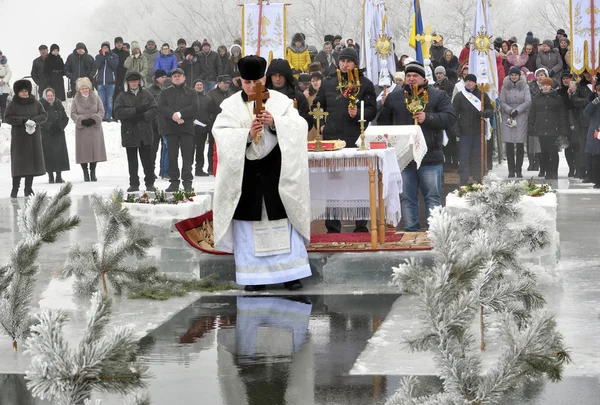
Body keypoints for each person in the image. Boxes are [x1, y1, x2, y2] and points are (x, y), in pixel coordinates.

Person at [212, 55, 311, 292]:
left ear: (264, 79)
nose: (251, 87)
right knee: (250, 222)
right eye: (246, 82)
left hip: (275, 170)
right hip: (248, 174)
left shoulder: (281, 102)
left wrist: (275, 122)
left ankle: (291, 274)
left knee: (281, 218)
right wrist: (245, 135)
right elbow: (221, 135)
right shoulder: (231, 106)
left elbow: (300, 127)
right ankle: (254, 276)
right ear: (240, 81)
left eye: (255, 81)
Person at [379, 61, 456, 231]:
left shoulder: (438, 95)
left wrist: (428, 117)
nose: (411, 79)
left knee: (433, 197)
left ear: (423, 78)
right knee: (407, 197)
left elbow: (450, 117)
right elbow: (382, 123)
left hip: (430, 155)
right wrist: (382, 106)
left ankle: (434, 231)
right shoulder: (394, 96)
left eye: (415, 76)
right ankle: (410, 229)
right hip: (404, 157)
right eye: (408, 76)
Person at [312, 47, 377, 233]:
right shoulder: (328, 83)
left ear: (355, 63)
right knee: (333, 183)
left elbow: (372, 110)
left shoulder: (365, 84)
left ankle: (361, 225)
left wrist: (359, 114)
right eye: (342, 61)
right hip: (332, 139)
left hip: (356, 140)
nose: (345, 64)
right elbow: (319, 106)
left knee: (358, 182)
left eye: (349, 61)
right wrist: (321, 124)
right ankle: (332, 226)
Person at [113, 71, 159, 192]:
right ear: (127, 83)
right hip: (130, 132)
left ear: (139, 81)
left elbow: (154, 109)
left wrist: (143, 116)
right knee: (132, 161)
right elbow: (117, 112)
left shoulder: (147, 94)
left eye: (135, 80)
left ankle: (150, 183)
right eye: (131, 81)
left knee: (148, 161)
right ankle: (134, 183)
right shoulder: (122, 96)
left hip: (145, 132)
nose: (133, 83)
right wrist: (134, 111)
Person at [4, 79, 48, 198]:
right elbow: (7, 117)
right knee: (19, 164)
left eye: (26, 91)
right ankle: (15, 189)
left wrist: (34, 120)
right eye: (22, 91)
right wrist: (22, 120)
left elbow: (44, 115)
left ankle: (28, 188)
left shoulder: (35, 103)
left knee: (31, 163)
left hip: (33, 137)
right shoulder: (13, 104)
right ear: (17, 92)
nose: (24, 93)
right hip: (19, 139)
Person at [158, 68, 199, 191]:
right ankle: (174, 182)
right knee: (172, 156)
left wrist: (180, 114)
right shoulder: (165, 93)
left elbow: (195, 107)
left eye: (179, 75)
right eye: (174, 76)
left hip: (186, 128)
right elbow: (161, 107)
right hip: (171, 128)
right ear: (172, 78)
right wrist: (173, 116)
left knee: (187, 156)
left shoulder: (192, 92)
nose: (177, 77)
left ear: (184, 77)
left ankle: (187, 182)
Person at [452, 74, 494, 185]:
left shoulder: (482, 96)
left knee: (477, 157)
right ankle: (464, 181)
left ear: (475, 83)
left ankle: (478, 178)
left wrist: (485, 113)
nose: (468, 83)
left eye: (471, 81)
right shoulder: (460, 96)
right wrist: (456, 128)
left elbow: (491, 110)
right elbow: (454, 114)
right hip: (464, 132)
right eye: (466, 81)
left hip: (478, 132)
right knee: (464, 157)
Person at [528, 77, 567, 180]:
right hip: (540, 128)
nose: (545, 87)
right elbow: (532, 114)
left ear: (551, 86)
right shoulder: (537, 98)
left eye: (547, 85)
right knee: (543, 152)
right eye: (544, 85)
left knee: (553, 152)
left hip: (553, 128)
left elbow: (562, 115)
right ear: (541, 86)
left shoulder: (557, 98)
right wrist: (531, 126)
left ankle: (554, 171)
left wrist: (562, 128)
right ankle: (546, 171)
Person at [70, 77, 107, 182]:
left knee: (94, 150)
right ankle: (85, 173)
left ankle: (93, 172)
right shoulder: (75, 99)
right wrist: (80, 120)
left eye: (86, 88)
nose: (85, 90)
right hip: (82, 129)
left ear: (89, 88)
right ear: (79, 89)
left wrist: (95, 119)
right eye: (82, 88)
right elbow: (72, 113)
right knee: (83, 152)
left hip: (94, 128)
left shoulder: (96, 97)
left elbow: (101, 110)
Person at [500, 67, 532, 178]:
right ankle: (511, 170)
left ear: (519, 76)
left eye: (516, 74)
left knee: (519, 145)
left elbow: (528, 101)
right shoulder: (505, 86)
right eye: (512, 74)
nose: (514, 76)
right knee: (509, 145)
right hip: (508, 117)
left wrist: (517, 110)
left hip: (521, 117)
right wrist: (510, 110)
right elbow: (502, 101)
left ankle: (518, 170)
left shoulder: (525, 86)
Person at [265, 59, 312, 129]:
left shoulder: (298, 97)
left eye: (281, 75)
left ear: (286, 76)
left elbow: (307, 123)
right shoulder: (263, 96)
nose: (277, 79)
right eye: (274, 75)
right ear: (270, 76)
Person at [39, 88, 70, 183]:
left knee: (59, 154)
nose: (50, 97)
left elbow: (65, 118)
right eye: (48, 95)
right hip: (47, 134)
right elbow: (39, 119)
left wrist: (60, 127)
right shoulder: (40, 105)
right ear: (45, 96)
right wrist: (49, 126)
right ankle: (50, 176)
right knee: (49, 155)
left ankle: (59, 176)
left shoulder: (58, 104)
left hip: (58, 133)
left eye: (51, 95)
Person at [571, 72, 594, 181]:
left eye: (590, 73)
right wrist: (587, 101)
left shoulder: (597, 84)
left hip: (597, 121)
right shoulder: (580, 86)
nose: (588, 75)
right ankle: (583, 171)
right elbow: (574, 100)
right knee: (584, 147)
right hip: (584, 122)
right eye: (586, 73)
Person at [147, 69, 168, 179]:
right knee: (152, 149)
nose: (163, 79)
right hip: (153, 123)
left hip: (163, 123)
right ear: (156, 78)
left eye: (165, 77)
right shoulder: (149, 90)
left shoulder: (165, 90)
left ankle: (164, 170)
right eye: (161, 77)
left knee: (165, 148)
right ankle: (151, 170)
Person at [192, 79, 215, 176]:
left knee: (200, 150)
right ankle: (188, 169)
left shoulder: (208, 98)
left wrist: (208, 120)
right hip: (191, 128)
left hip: (203, 128)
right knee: (190, 150)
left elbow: (211, 111)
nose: (199, 86)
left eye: (201, 84)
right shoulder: (190, 97)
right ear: (194, 86)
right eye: (197, 84)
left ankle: (199, 169)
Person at [93, 41, 119, 121]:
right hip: (100, 82)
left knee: (109, 100)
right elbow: (96, 66)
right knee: (101, 100)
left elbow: (114, 66)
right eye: (103, 47)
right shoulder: (98, 56)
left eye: (106, 47)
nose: (105, 49)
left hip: (110, 82)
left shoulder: (114, 56)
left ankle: (108, 116)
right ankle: (102, 116)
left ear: (109, 48)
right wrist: (103, 56)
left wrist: (107, 57)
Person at [584, 81, 600, 188]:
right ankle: (597, 180)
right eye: (599, 91)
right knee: (596, 157)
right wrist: (593, 103)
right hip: (596, 132)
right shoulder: (594, 102)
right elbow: (586, 113)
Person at [112, 36, 130, 101]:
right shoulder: (112, 53)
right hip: (114, 77)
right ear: (115, 44)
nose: (119, 44)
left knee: (124, 94)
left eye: (120, 43)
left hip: (124, 76)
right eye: (117, 43)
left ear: (122, 44)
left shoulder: (126, 53)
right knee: (114, 95)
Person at [0, 50, 12, 122]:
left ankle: (4, 119)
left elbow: (9, 73)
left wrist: (4, 81)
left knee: (3, 103)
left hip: (4, 86)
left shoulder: (6, 64)